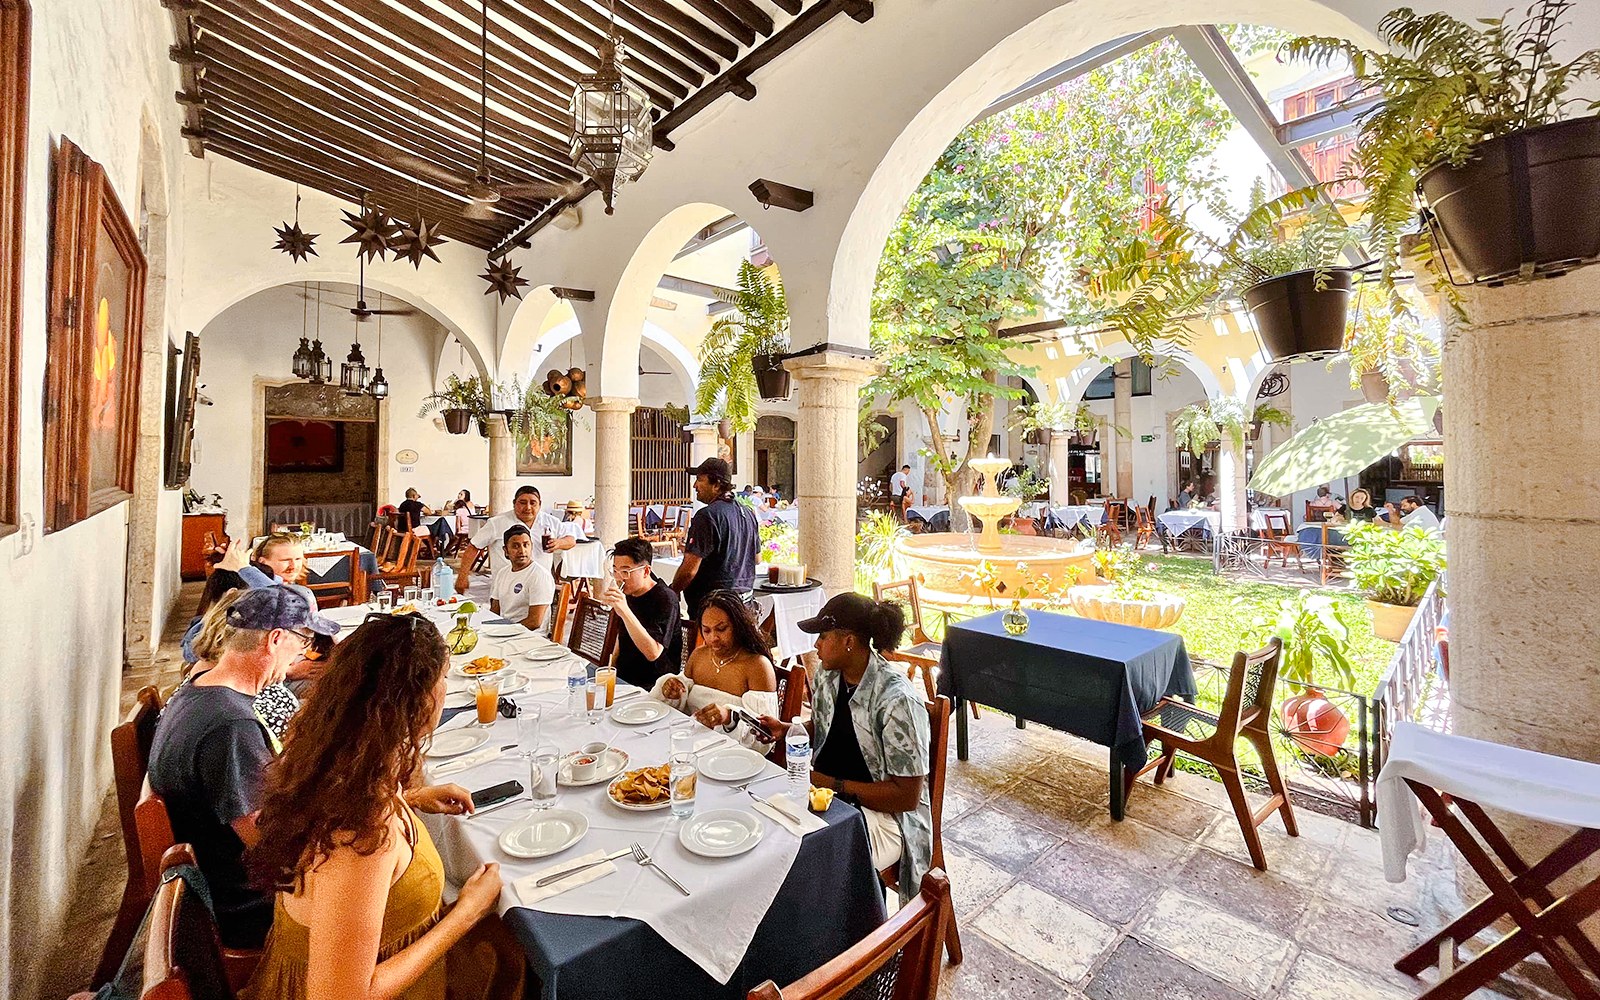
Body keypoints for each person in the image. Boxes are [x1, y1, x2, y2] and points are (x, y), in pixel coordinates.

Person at [242, 614, 524, 1000]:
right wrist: (466, 913)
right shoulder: (360, 832)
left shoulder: (341, 769)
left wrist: (408, 799)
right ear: (423, 699)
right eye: (444, 677)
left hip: (359, 957)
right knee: (516, 960)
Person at [148, 587, 339, 949]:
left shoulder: (200, 688)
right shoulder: (231, 727)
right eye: (303, 641)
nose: (303, 653)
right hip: (245, 906)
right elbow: (272, 845)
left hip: (216, 882)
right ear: (275, 639)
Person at [785, 592, 931, 902]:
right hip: (828, 801)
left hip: (886, 819)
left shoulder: (897, 700)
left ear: (849, 641)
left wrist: (832, 784)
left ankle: (856, 941)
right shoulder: (828, 675)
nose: (816, 645)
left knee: (807, 862)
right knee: (773, 837)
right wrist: (786, 730)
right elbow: (830, 729)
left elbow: (906, 797)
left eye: (823, 636)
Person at [651, 589, 776, 747]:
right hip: (691, 745)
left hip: (732, 757)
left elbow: (766, 737)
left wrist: (730, 718)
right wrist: (671, 691)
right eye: (706, 630)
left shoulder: (757, 666)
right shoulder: (699, 655)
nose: (713, 638)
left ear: (738, 625)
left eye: (721, 629)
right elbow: (680, 710)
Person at [670, 458, 759, 617]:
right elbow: (757, 558)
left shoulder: (707, 516)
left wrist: (673, 591)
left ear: (717, 484)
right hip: (745, 607)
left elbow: (690, 569)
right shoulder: (748, 513)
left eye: (699, 479)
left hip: (715, 612)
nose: (694, 486)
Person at [598, 537, 682, 690]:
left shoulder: (665, 599)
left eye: (625, 571)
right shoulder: (628, 593)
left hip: (655, 685)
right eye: (615, 571)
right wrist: (610, 667)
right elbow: (621, 636)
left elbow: (653, 653)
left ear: (646, 571)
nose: (618, 578)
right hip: (623, 678)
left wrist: (624, 610)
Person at [455, 485, 574, 591]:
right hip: (506, 588)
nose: (528, 507)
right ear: (514, 503)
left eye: (533, 503)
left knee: (538, 616)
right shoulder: (497, 523)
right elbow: (473, 546)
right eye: (522, 502)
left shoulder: (550, 522)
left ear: (540, 504)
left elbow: (571, 540)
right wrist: (463, 576)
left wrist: (558, 543)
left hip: (539, 587)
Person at [488, 524, 554, 630]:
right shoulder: (502, 573)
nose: (522, 551)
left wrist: (505, 631)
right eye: (516, 546)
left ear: (531, 546)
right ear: (505, 550)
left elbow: (534, 622)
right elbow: (495, 610)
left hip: (530, 637)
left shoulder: (539, 575)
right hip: (505, 632)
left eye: (526, 545)